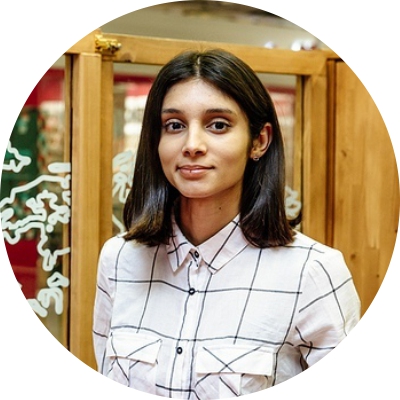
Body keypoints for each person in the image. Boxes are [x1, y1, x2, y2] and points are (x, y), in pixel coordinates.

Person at [93, 49, 360, 399]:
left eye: (218, 125)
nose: (192, 145)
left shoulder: (311, 272)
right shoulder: (119, 259)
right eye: (174, 125)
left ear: (259, 141)